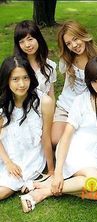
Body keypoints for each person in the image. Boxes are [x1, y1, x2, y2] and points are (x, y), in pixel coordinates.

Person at [19, 55, 97, 213]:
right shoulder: (82, 100)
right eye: (95, 81)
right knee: (95, 179)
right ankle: (42, 192)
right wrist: (57, 172)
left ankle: (46, 188)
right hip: (77, 152)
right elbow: (65, 138)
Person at [0, 56, 54, 200]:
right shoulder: (2, 102)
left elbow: (46, 137)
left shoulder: (45, 102)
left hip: (29, 157)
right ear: (7, 80)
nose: (22, 84)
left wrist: (51, 171)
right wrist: (8, 162)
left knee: (3, 191)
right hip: (5, 152)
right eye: (15, 79)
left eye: (25, 77)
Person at [52, 21, 97, 147]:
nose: (74, 45)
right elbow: (66, 85)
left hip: (88, 108)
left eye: (75, 39)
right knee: (56, 139)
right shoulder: (66, 60)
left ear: (83, 35)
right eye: (68, 43)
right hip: (66, 106)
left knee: (86, 140)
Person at [14, 20, 57, 101]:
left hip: (44, 110)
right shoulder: (15, 66)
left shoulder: (49, 65)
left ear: (38, 39)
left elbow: (51, 95)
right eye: (21, 42)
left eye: (30, 39)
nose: (27, 45)